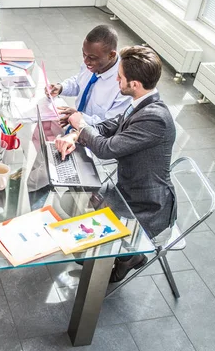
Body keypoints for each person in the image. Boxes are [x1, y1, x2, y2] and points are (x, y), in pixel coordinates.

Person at [55, 45, 176, 283]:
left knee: (80, 237)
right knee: (70, 199)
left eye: (120, 78)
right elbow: (111, 126)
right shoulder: (142, 103)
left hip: (144, 204)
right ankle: (117, 256)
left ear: (135, 84)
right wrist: (75, 135)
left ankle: (122, 257)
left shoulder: (154, 119)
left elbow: (106, 149)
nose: (116, 80)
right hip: (126, 189)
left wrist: (80, 126)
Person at [45, 25, 130, 128]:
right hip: (76, 128)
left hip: (95, 137)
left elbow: (110, 125)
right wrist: (61, 87)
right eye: (84, 54)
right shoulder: (91, 64)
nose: (85, 61)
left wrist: (80, 118)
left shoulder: (124, 84)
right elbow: (79, 82)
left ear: (111, 55)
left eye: (92, 57)